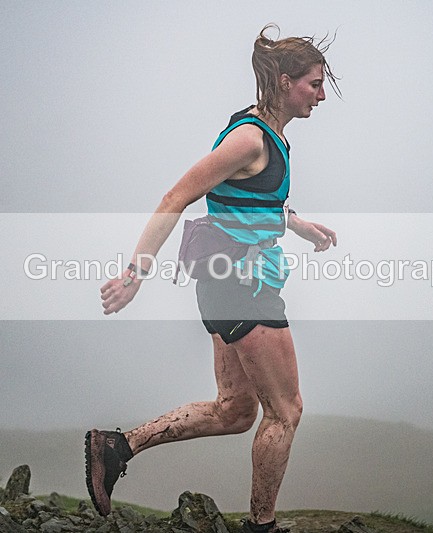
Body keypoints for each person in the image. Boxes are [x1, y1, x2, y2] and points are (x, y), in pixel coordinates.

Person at [85, 24, 340, 533]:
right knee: (286, 411)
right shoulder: (249, 138)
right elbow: (175, 198)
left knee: (235, 410)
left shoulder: (266, 133)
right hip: (242, 286)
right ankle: (261, 526)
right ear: (286, 81)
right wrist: (137, 271)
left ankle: (118, 446)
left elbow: (254, 198)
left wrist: (296, 223)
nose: (321, 94)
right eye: (314, 83)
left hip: (227, 284)